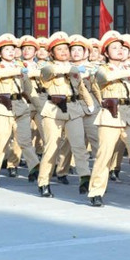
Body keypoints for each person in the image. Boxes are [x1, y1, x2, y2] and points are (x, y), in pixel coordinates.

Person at [87, 30, 130, 207]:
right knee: (104, 155)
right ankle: (96, 191)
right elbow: (106, 78)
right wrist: (128, 72)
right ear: (106, 52)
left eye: (122, 47)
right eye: (114, 47)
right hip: (111, 115)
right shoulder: (101, 70)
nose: (119, 50)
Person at [36, 32, 96, 198]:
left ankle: (84, 177)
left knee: (79, 145)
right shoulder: (47, 67)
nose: (63, 51)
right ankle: (44, 182)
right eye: (59, 49)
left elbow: (81, 88)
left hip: (73, 108)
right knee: (51, 147)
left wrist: (90, 104)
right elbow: (49, 72)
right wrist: (72, 68)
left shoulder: (73, 69)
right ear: (51, 53)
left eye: (65, 49)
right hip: (53, 110)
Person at [0, 34, 38, 189]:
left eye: (12, 49)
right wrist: (18, 71)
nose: (10, 52)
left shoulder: (20, 67)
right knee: (0, 143)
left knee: (25, 141)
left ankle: (35, 166)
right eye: (6, 49)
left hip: (20, 106)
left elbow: (28, 88)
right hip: (2, 107)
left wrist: (38, 105)